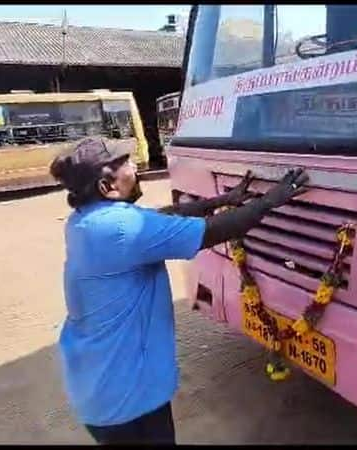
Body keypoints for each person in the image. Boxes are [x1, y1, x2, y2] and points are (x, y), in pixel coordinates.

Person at [48, 137, 309, 445]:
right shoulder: (120, 229)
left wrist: (222, 201)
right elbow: (215, 231)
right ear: (107, 186)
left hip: (97, 384)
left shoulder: (87, 221)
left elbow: (161, 217)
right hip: (127, 396)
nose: (136, 168)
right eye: (126, 164)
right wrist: (270, 200)